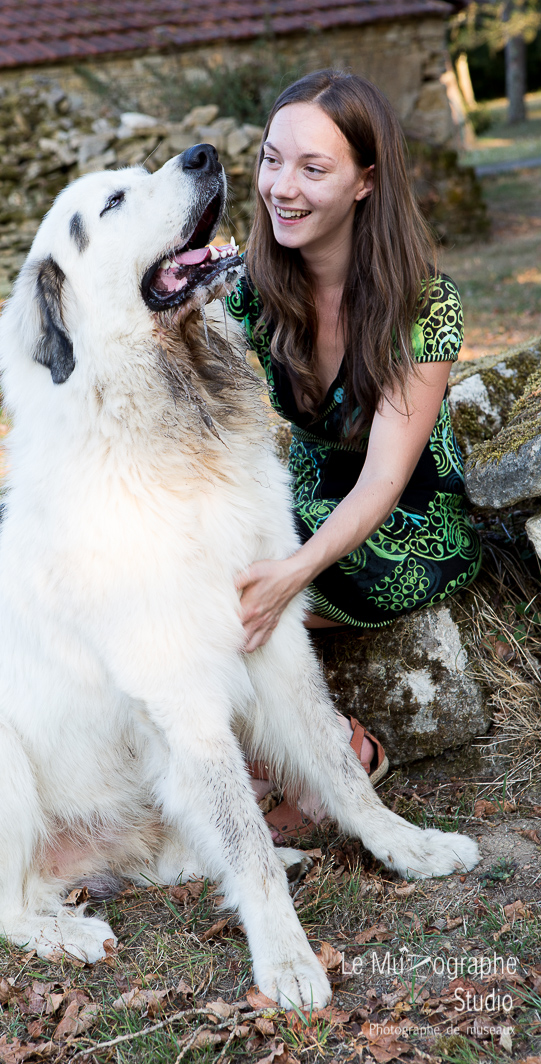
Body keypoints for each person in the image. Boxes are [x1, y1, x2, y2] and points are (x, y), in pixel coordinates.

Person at [224, 69, 482, 840]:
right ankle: (323, 753)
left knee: (221, 611)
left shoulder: (424, 305)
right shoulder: (252, 288)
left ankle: (323, 762)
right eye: (272, 160)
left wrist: (290, 575)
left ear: (365, 181)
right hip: (302, 507)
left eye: (313, 168)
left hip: (402, 531)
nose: (282, 187)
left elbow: (382, 482)